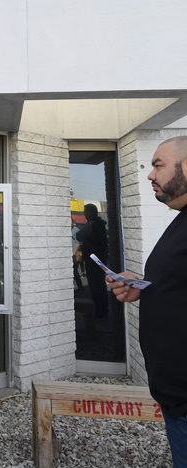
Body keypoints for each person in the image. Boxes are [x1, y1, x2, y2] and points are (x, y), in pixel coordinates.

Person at [107, 136, 187, 468]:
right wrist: (143, 288)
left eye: (158, 165)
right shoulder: (179, 220)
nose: (150, 175)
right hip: (175, 399)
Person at [76, 203, 109, 317]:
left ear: (90, 213)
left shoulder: (91, 224)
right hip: (99, 259)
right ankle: (102, 310)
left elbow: (79, 235)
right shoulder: (100, 224)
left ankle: (97, 312)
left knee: (95, 287)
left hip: (93, 261)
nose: (85, 214)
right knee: (100, 286)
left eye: (86, 212)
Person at [71, 219, 85, 292]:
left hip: (75, 253)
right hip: (71, 253)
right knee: (74, 271)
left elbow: (78, 242)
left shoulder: (76, 230)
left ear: (72, 222)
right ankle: (79, 287)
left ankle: (80, 287)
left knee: (74, 270)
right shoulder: (68, 229)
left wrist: (74, 253)